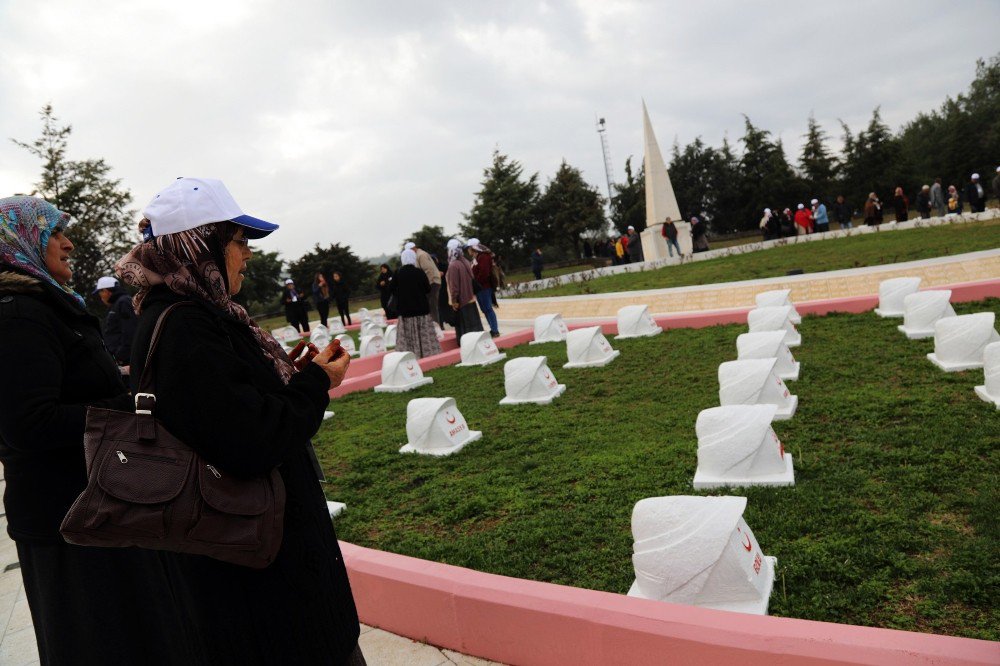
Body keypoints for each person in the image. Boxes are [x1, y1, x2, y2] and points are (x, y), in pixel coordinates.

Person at [117, 177, 364, 664]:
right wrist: (316, 383)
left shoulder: (191, 314)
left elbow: (226, 408)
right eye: (238, 240)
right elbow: (254, 439)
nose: (248, 254)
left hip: (255, 564)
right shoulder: (188, 325)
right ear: (199, 245)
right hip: (264, 583)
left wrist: (288, 376)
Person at [0, 196, 186, 665]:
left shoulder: (42, 305)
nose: (68, 243)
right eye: (55, 234)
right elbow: (28, 422)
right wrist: (131, 406)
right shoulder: (18, 315)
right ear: (22, 241)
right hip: (71, 518)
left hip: (97, 505)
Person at [392, 249, 441, 358]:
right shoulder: (419, 272)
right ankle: (426, 354)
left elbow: (392, 289)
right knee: (423, 334)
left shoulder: (398, 273)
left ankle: (410, 355)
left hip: (406, 312)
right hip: (421, 310)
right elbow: (427, 289)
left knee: (408, 335)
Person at [94, 275, 138, 367]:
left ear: (106, 291)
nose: (100, 297)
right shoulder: (117, 304)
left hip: (126, 362)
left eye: (100, 293)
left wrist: (120, 356)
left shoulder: (124, 302)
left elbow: (130, 331)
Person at [445, 238, 483, 339]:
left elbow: (454, 287)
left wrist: (454, 301)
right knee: (475, 327)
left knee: (466, 331)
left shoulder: (453, 266)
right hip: (470, 298)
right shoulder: (465, 261)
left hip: (462, 302)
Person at [467, 238, 500, 338]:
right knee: (485, 309)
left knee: (488, 309)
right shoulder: (477, 257)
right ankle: (493, 329)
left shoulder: (483, 257)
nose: (468, 251)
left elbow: (484, 272)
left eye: (468, 248)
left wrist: (476, 282)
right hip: (480, 288)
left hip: (483, 287)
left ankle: (495, 330)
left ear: (473, 248)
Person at [407, 241, 441, 324]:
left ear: (413, 249)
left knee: (432, 306)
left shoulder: (421, 255)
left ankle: (436, 327)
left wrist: (425, 286)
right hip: (432, 282)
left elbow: (428, 271)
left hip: (432, 282)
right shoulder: (419, 255)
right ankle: (435, 326)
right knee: (431, 306)